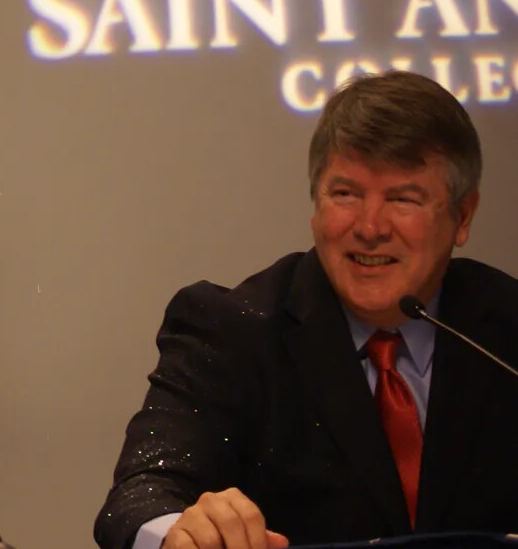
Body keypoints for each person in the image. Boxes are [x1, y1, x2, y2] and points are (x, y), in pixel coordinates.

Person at [95, 70, 518, 549]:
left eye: (403, 199)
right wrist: (177, 531)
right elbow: (139, 495)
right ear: (315, 202)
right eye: (346, 194)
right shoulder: (233, 329)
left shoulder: (506, 330)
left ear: (463, 217)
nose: (370, 226)